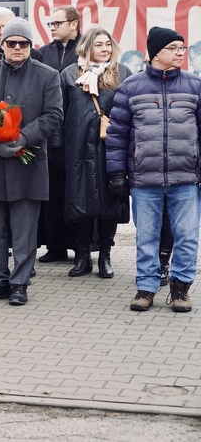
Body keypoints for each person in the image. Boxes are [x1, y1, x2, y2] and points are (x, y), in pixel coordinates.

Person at [107, 27, 201, 313]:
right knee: (146, 236)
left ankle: (181, 289)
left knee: (187, 235)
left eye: (182, 48)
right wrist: (115, 172)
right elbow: (117, 134)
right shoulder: (131, 88)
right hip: (144, 178)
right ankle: (146, 288)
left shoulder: (195, 87)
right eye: (173, 48)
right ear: (155, 52)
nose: (180, 53)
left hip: (185, 177)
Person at [0, 18, 63, 305]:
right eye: (12, 43)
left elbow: (54, 116)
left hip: (28, 161)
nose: (18, 48)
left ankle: (20, 283)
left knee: (24, 229)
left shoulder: (47, 75)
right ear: (2, 44)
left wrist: (22, 138)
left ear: (30, 45)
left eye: (23, 44)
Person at [61, 28, 132, 279]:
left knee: (110, 202)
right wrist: (60, 149)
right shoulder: (70, 74)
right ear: (87, 47)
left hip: (109, 148)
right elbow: (60, 113)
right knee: (80, 201)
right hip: (77, 148)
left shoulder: (122, 73)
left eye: (108, 44)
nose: (104, 49)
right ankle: (82, 256)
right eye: (98, 44)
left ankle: (105, 255)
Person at [37, 5, 81, 264]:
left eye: (57, 23)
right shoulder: (43, 54)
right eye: (50, 24)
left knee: (74, 191)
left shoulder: (86, 52)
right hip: (49, 135)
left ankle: (80, 246)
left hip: (77, 134)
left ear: (74, 24)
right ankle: (54, 246)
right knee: (51, 193)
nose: (52, 28)